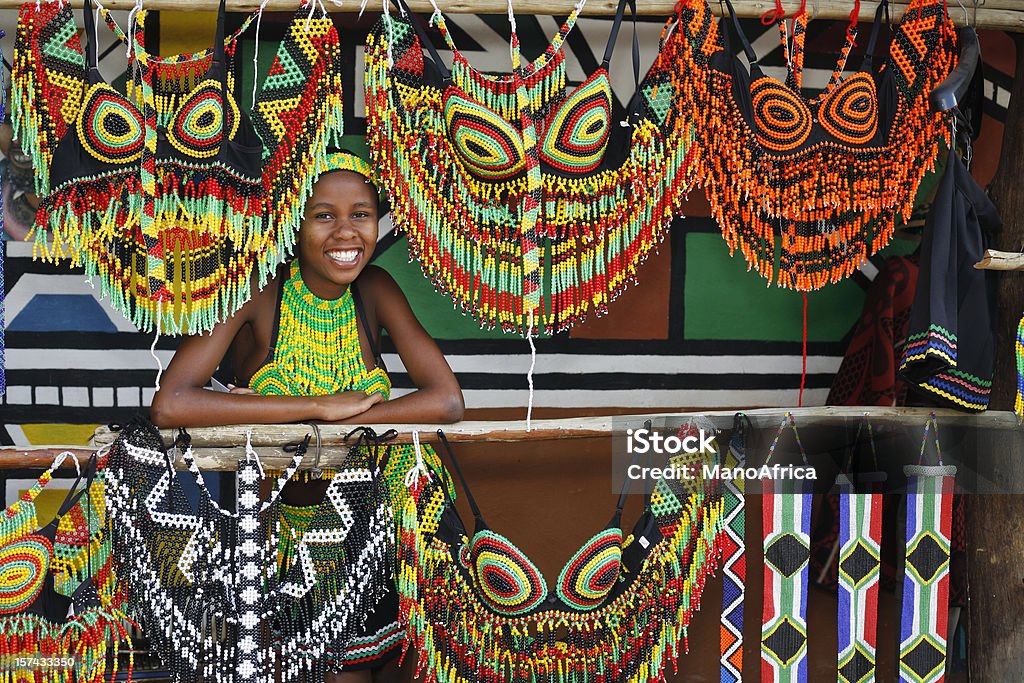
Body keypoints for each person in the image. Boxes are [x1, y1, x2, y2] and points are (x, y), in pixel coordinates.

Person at [151, 150, 464, 683]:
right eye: (325, 215)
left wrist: (348, 423)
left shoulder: (376, 291)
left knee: (352, 674)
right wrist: (317, 409)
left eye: (361, 214)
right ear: (294, 222)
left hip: (366, 534)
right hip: (266, 537)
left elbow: (447, 400)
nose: (347, 233)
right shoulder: (259, 289)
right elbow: (172, 402)